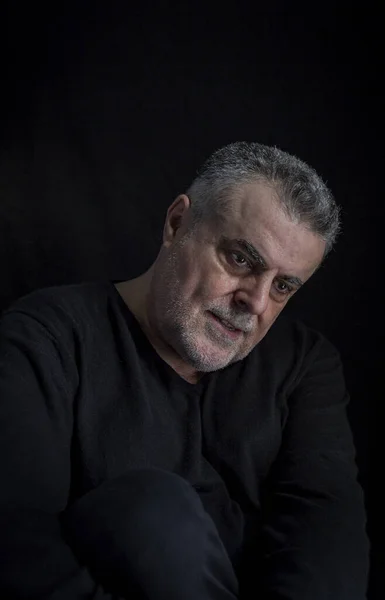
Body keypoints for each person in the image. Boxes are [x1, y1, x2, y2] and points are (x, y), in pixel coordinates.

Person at [0, 142, 369, 599]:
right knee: (151, 511)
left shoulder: (304, 364)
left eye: (282, 286)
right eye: (240, 259)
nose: (254, 302)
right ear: (178, 224)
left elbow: (325, 541)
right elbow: (17, 546)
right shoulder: (48, 336)